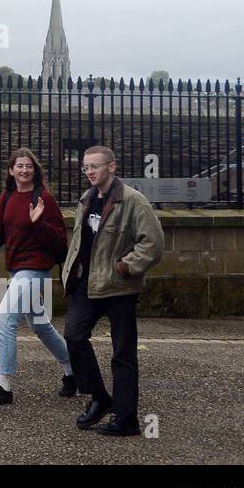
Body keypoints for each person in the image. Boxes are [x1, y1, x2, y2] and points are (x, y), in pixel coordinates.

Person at [63, 146, 165, 436]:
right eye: (86, 167)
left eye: (95, 166)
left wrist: (125, 267)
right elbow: (80, 242)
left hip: (119, 286)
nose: (90, 171)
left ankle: (127, 418)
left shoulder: (134, 201)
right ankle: (100, 397)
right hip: (88, 283)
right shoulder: (87, 199)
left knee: (123, 353)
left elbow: (153, 244)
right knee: (74, 335)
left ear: (112, 167)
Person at [0, 148, 73, 405]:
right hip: (18, 270)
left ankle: (4, 385)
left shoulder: (43, 199)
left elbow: (60, 243)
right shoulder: (8, 197)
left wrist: (39, 223)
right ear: (11, 171)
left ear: (35, 170)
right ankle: (74, 370)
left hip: (35, 271)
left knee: (4, 321)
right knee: (40, 325)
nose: (24, 170)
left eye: (29, 166)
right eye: (20, 166)